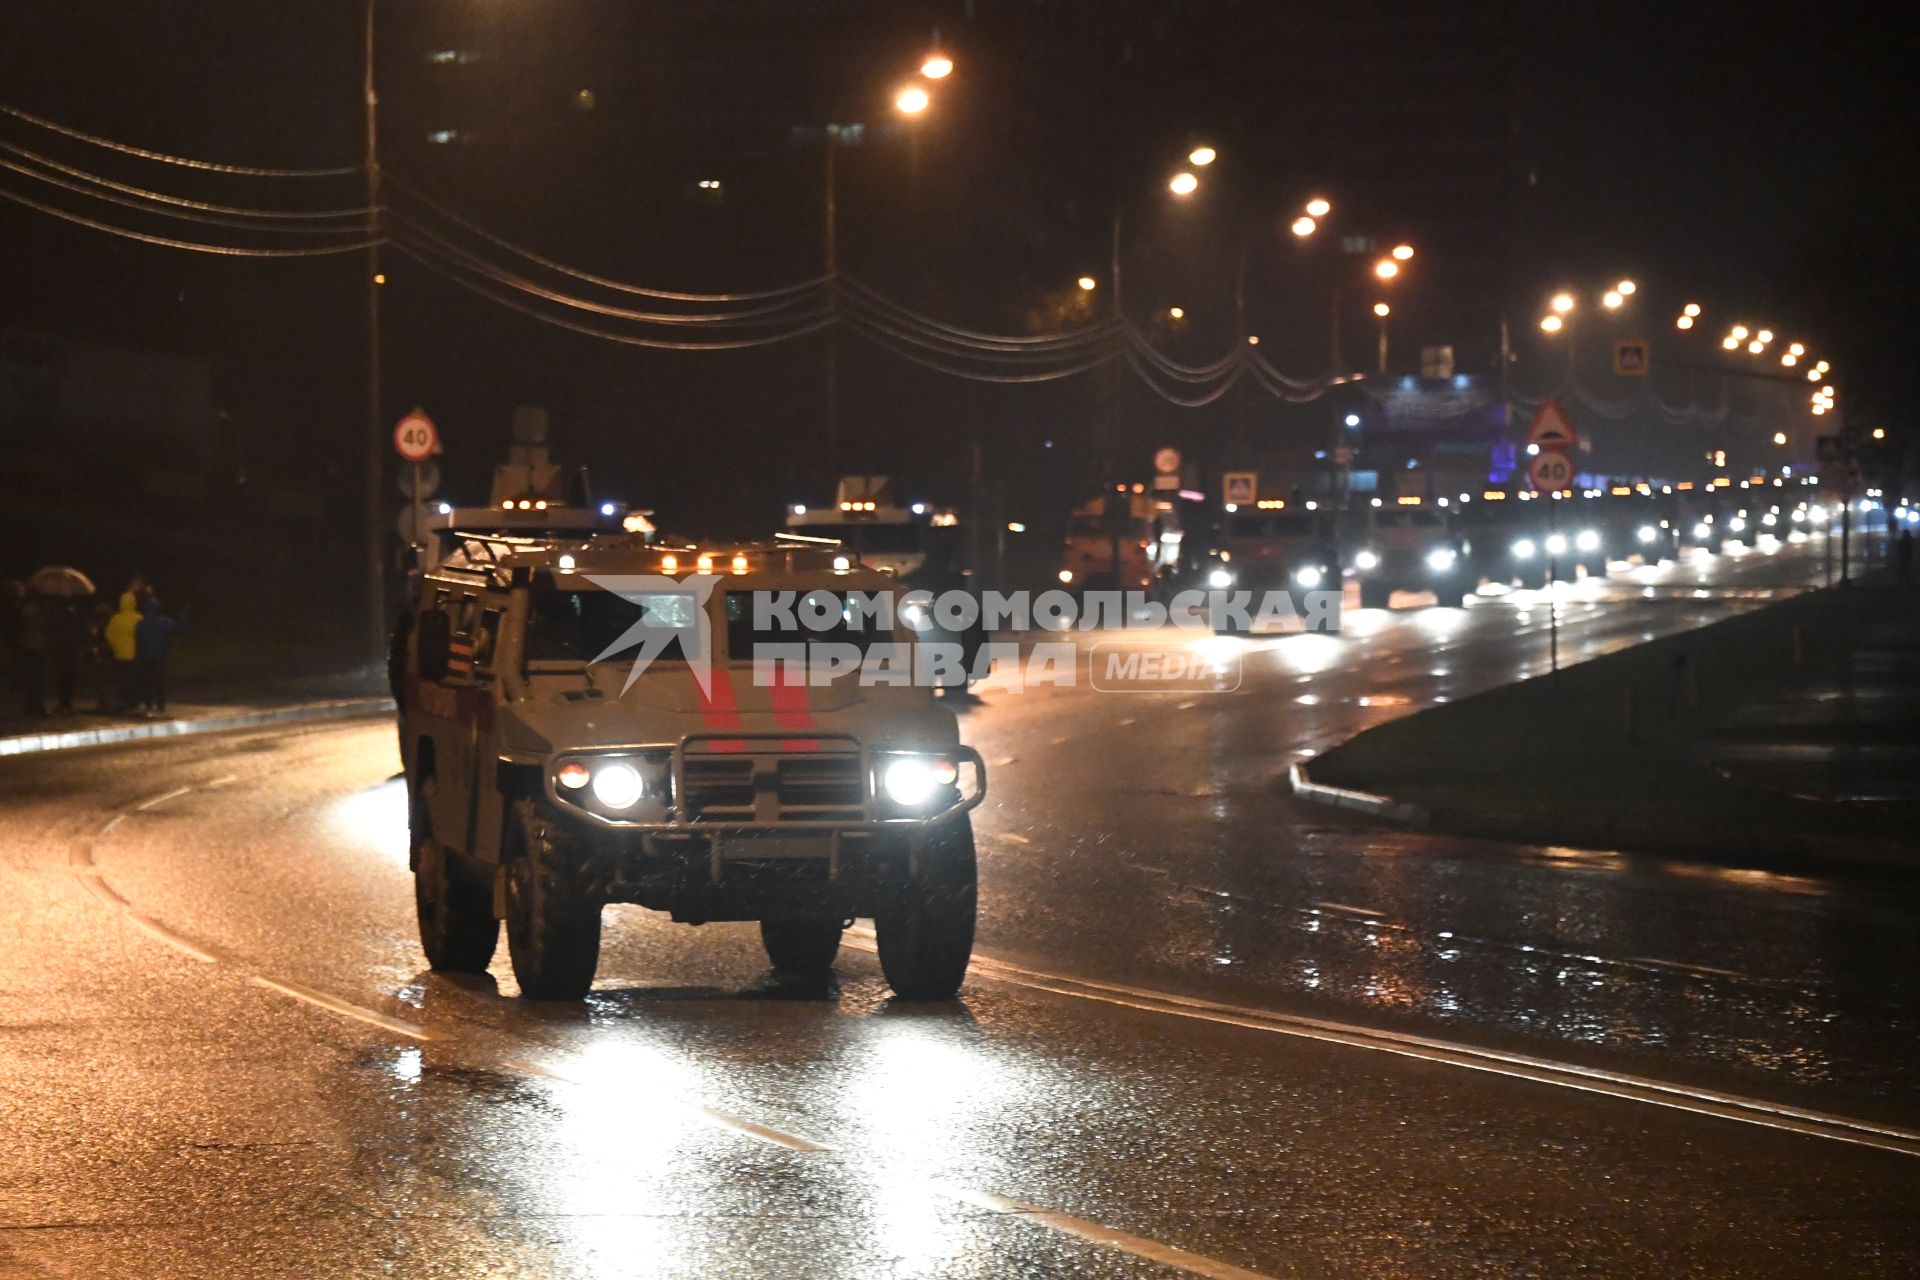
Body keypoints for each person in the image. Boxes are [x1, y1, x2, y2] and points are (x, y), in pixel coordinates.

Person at [133, 596, 183, 716]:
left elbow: (138, 640)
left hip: (146, 656)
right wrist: (183, 614)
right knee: (159, 681)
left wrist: (138, 655)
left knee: (147, 681)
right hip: (160, 656)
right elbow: (178, 626)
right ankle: (160, 704)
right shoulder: (163, 621)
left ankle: (148, 704)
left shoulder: (141, 624)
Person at [104, 591, 143, 713]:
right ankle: (133, 702)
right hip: (134, 654)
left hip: (119, 654)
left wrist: (115, 646)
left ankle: (122, 702)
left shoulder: (116, 619)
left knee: (121, 680)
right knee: (134, 679)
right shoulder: (139, 618)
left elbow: (109, 635)